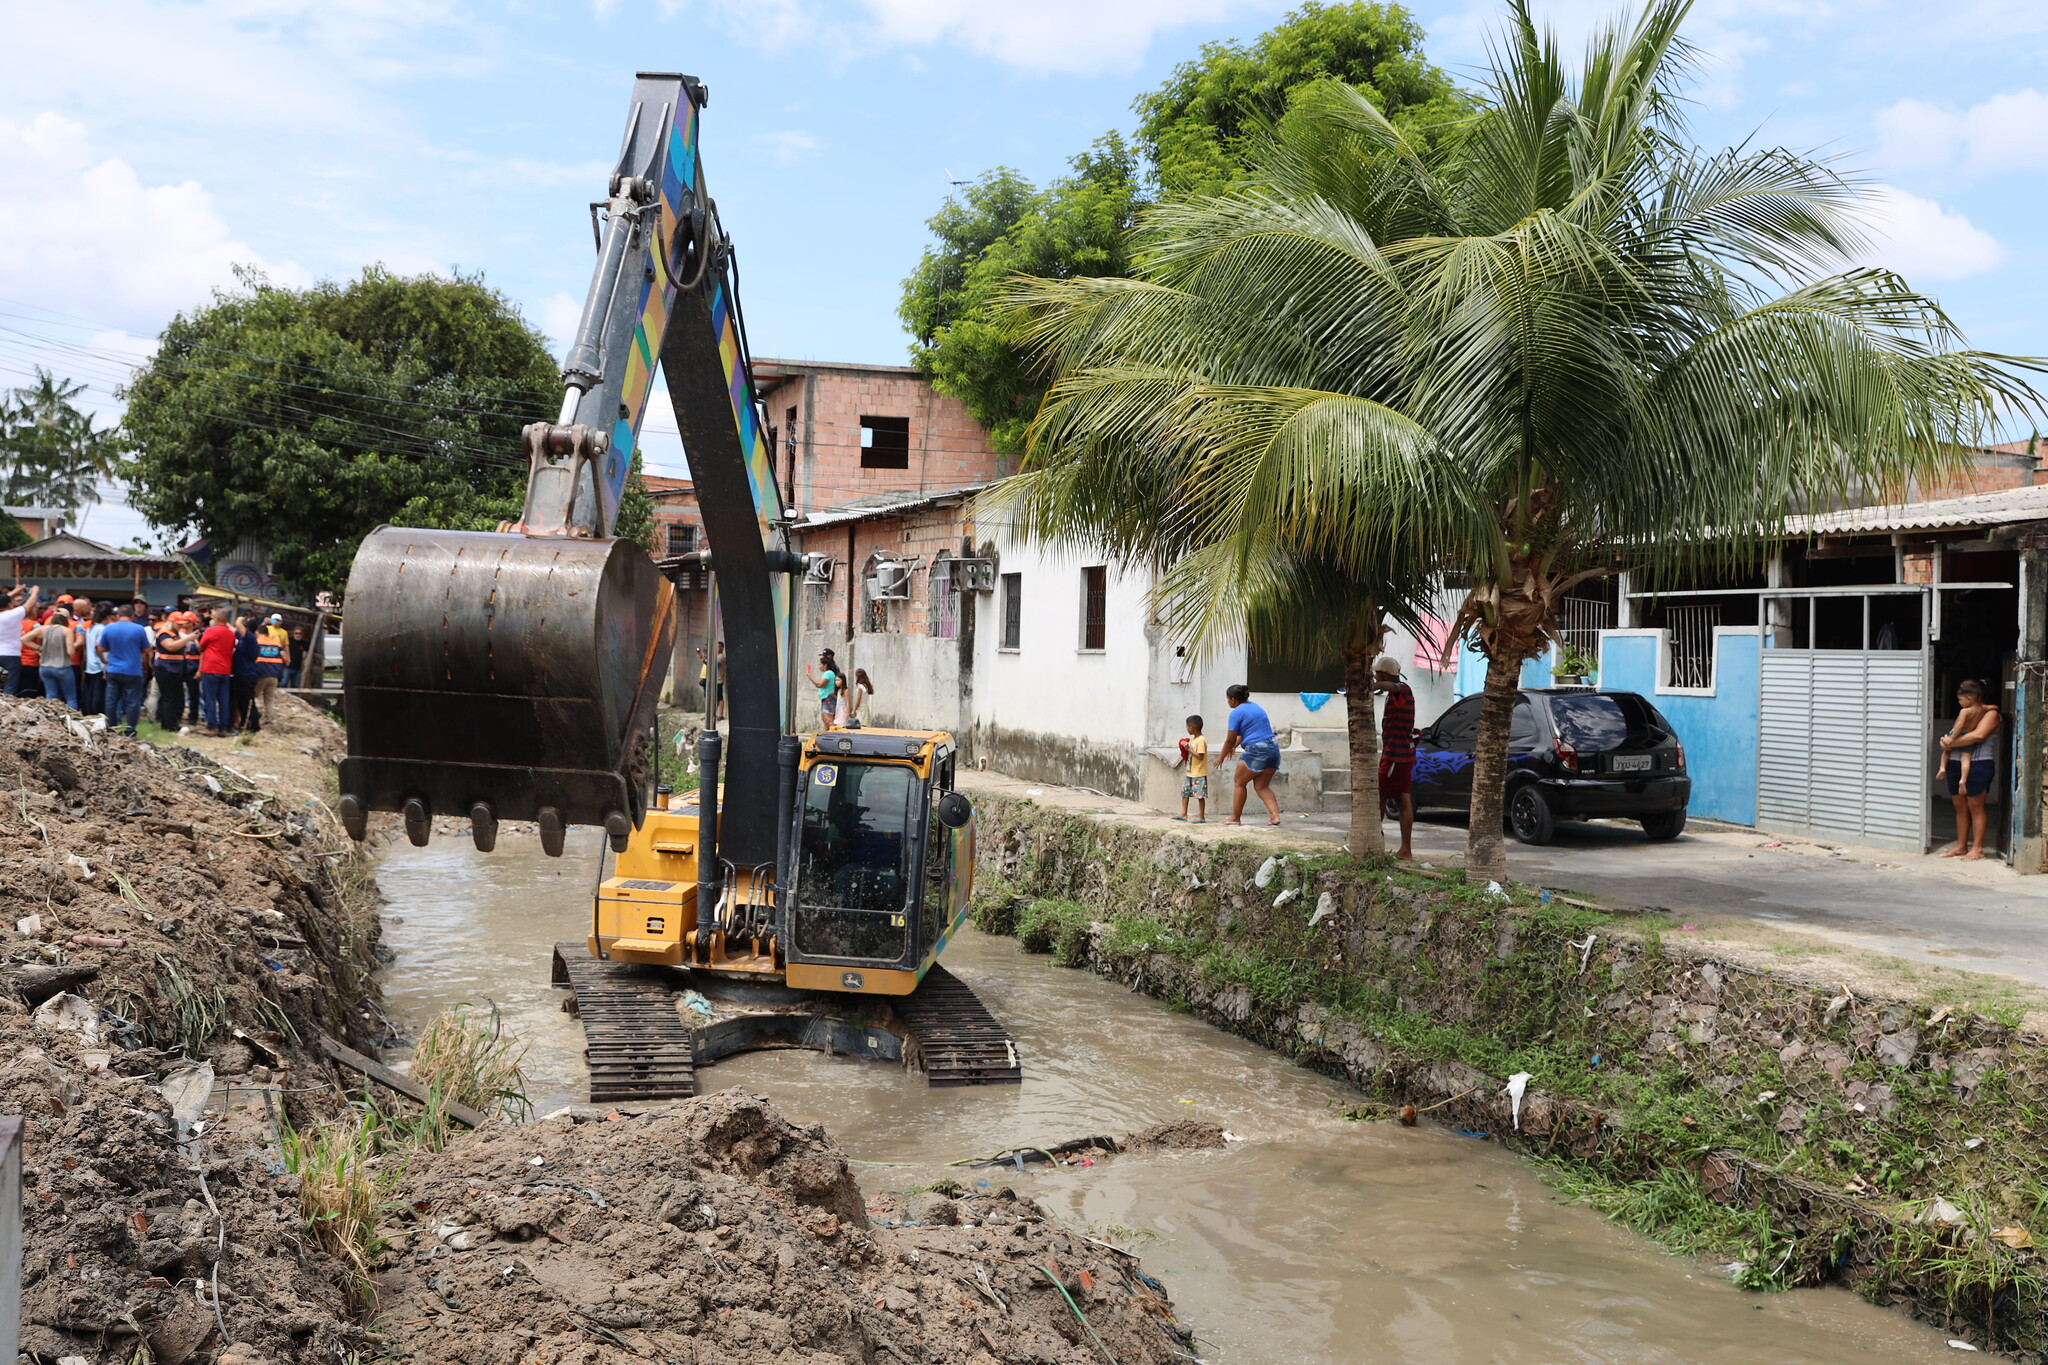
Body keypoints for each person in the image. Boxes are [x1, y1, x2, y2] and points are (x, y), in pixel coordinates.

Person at [1940, 680, 2002, 860]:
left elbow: (1978, 736)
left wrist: (1949, 744)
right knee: (1960, 806)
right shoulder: (1966, 711)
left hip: (1978, 764)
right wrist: (1948, 744)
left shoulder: (1991, 714)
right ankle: (1961, 846)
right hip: (1956, 762)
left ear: (1975, 695)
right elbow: (1958, 732)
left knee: (1975, 806)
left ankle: (1977, 848)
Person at [1218, 683, 1283, 826]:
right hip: (1273, 748)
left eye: (1227, 699)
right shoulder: (1255, 707)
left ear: (1233, 699)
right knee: (1262, 786)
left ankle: (1235, 818)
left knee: (1239, 783)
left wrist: (1221, 757)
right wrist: (1233, 747)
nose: (1227, 702)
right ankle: (1275, 816)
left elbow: (1230, 739)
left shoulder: (1236, 712)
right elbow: (1242, 735)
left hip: (1256, 750)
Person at [1373, 655, 1417, 860]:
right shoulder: (1394, 695)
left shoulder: (1401, 689)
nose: (1375, 677)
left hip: (1395, 757)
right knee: (1402, 798)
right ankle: (1405, 850)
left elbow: (1396, 687)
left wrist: (1372, 686)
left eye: (1377, 674)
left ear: (1384, 674)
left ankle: (1372, 844)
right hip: (1403, 754)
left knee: (1379, 797)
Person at [98, 604, 149, 735]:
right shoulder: (139, 629)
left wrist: (105, 660)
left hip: (114, 669)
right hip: (133, 670)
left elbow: (101, 648)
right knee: (132, 702)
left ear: (117, 616)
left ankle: (111, 729)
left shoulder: (109, 628)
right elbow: (146, 650)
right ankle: (130, 731)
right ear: (132, 616)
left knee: (111, 701)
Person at [152, 610, 197, 731]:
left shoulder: (175, 634)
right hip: (166, 670)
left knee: (175, 698)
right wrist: (189, 638)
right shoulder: (164, 634)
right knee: (169, 699)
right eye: (179, 623)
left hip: (174, 671)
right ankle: (170, 725)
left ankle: (169, 723)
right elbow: (171, 646)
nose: (182, 626)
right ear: (171, 622)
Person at [197, 608, 237, 736]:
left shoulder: (211, 630)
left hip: (211, 668)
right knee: (223, 700)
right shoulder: (231, 634)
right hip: (225, 670)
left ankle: (211, 726)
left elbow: (201, 647)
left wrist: (194, 641)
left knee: (210, 699)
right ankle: (223, 728)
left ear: (218, 619)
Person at [35, 608, 79, 707]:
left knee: (50, 696)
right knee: (70, 697)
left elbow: (24, 639)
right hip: (62, 667)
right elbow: (70, 651)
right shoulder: (67, 631)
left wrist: (39, 648)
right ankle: (72, 720)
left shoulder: (43, 628)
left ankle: (51, 719)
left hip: (44, 667)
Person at [0, 584, 38, 695]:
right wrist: (35, 591)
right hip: (11, 655)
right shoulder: (13, 614)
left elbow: (3, 600)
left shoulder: (12, 613)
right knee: (10, 686)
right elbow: (29, 604)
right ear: (9, 604)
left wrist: (15, 591)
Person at [252, 613, 289, 721]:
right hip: (275, 675)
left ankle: (253, 717)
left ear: (257, 633)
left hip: (261, 674)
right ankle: (269, 719)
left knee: (253, 696)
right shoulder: (277, 644)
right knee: (269, 699)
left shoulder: (257, 642)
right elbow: (285, 658)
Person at [1174, 714, 1210, 822]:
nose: (1187, 729)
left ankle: (1201, 816)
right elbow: (1187, 746)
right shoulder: (1193, 739)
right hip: (1190, 772)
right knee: (1185, 793)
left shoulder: (1201, 740)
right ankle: (1184, 813)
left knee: (1200, 795)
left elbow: (1200, 756)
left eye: (1187, 727)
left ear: (1191, 728)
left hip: (1198, 773)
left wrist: (1189, 749)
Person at [231, 612, 262, 732]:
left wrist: (240, 618)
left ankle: (254, 726)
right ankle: (245, 724)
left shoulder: (250, 638)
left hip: (246, 675)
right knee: (241, 702)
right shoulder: (243, 638)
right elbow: (233, 628)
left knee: (247, 702)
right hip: (241, 674)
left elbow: (237, 624)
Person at [82, 602, 112, 716]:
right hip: (99, 665)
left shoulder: (91, 628)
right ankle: (96, 715)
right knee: (98, 695)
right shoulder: (102, 629)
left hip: (90, 664)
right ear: (108, 616)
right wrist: (105, 668)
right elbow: (100, 648)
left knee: (90, 693)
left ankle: (88, 713)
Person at [807, 652, 843, 731]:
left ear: (825, 665)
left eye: (820, 664)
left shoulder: (828, 673)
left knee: (828, 720)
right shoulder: (829, 673)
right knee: (825, 719)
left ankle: (833, 735)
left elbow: (820, 684)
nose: (819, 666)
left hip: (828, 698)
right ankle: (826, 736)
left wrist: (810, 677)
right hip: (827, 698)